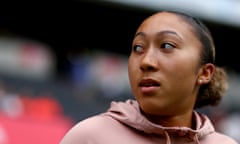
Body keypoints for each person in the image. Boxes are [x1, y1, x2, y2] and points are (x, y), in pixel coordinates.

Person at [60, 11, 238, 144]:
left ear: (204, 73)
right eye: (138, 48)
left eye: (167, 45)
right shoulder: (89, 137)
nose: (146, 61)